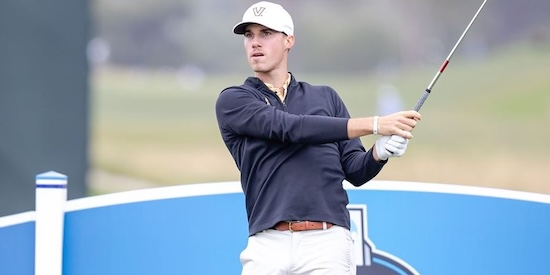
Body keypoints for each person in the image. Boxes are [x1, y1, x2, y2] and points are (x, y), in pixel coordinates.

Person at [215, 2, 421, 274]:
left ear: (289, 41)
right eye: (249, 35)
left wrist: (379, 153)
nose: (255, 42)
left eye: (266, 33)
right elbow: (289, 128)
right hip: (267, 243)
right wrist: (375, 124)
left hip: (327, 243)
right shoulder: (235, 100)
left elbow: (355, 171)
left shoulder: (326, 98)